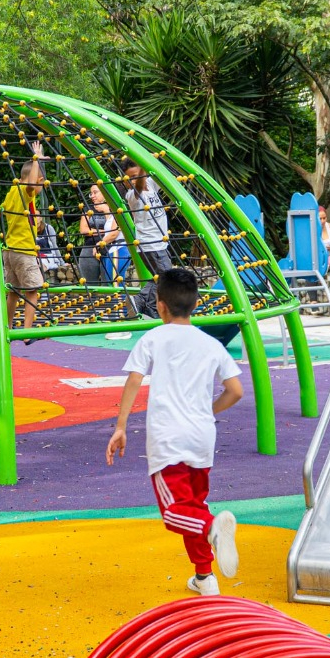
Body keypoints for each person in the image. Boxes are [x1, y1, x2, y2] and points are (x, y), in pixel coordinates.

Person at [105, 268, 244, 596]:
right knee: (193, 504)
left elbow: (135, 379)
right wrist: (207, 411)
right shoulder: (211, 344)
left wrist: (121, 426)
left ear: (161, 305)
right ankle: (204, 577)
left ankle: (212, 529)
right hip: (202, 438)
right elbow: (235, 391)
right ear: (195, 304)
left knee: (174, 513)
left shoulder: (154, 337)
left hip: (169, 439)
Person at [1, 142, 46, 339]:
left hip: (9, 250)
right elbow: (31, 185)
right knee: (32, 291)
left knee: (13, 291)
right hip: (23, 251)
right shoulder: (26, 191)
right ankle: (27, 332)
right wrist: (36, 158)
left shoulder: (13, 190)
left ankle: (7, 327)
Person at [118, 163, 173, 318]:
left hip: (160, 244)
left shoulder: (149, 183)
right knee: (166, 277)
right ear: (125, 181)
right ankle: (145, 304)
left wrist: (154, 160)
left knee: (160, 277)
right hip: (150, 245)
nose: (135, 180)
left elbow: (160, 174)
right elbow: (140, 185)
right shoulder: (132, 195)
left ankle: (143, 303)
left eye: (137, 176)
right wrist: (143, 166)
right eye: (131, 178)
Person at [77, 185, 123, 285]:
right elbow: (83, 230)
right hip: (90, 247)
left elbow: (113, 230)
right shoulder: (88, 208)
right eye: (91, 193)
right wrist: (102, 231)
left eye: (95, 192)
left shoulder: (115, 207)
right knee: (89, 284)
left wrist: (106, 211)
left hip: (109, 248)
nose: (92, 196)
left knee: (108, 283)